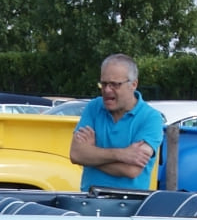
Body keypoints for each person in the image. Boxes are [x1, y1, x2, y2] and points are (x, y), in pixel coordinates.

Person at [69, 54, 164, 191]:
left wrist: (91, 156)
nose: (107, 90)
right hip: (89, 201)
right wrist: (121, 154)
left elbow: (132, 170)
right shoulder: (93, 107)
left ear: (133, 84)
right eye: (104, 83)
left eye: (115, 84)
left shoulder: (151, 118)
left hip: (129, 204)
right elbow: (76, 154)